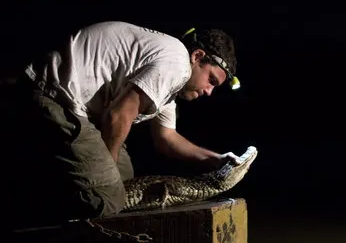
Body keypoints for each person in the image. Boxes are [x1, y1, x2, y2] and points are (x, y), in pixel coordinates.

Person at [6, 21, 243, 226]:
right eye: (211, 80)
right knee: (108, 195)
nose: (210, 92)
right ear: (197, 56)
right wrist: (107, 174)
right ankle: (38, 229)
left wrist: (217, 159)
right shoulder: (177, 64)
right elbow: (117, 116)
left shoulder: (171, 84)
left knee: (126, 181)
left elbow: (166, 138)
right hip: (54, 92)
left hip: (80, 107)